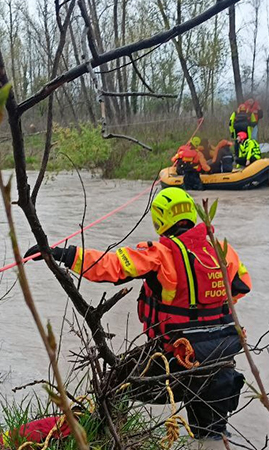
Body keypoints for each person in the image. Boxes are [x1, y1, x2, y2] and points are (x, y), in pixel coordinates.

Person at [24, 187, 251, 440]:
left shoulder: (161, 254)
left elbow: (111, 267)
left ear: (160, 219)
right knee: (212, 438)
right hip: (221, 361)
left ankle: (104, 438)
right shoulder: (223, 251)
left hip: (174, 361)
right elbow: (243, 287)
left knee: (111, 387)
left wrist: (64, 254)